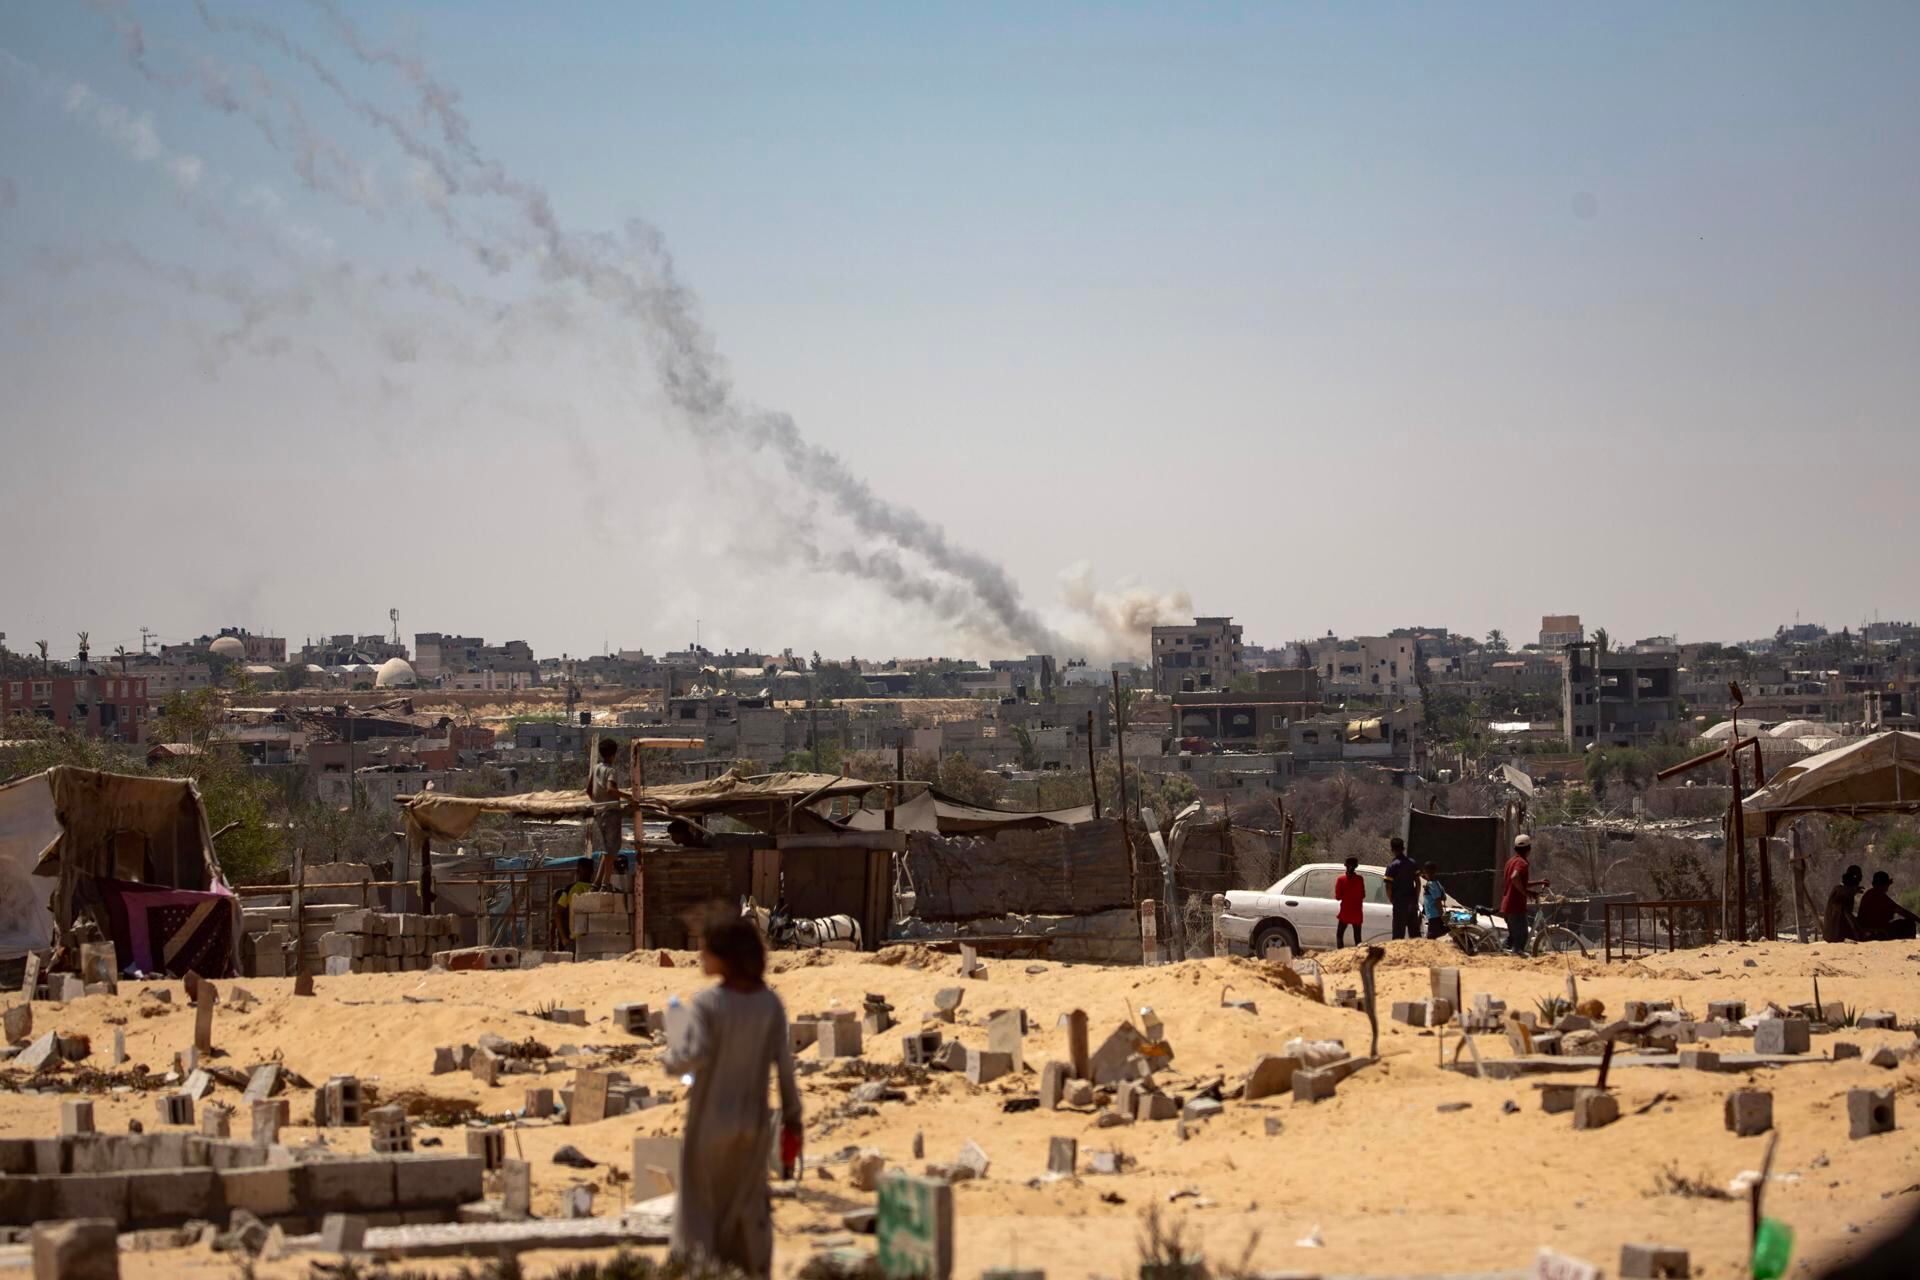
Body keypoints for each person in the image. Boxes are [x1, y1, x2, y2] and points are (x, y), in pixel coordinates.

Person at [663, 915, 803, 1277]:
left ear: (724, 955)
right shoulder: (771, 1004)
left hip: (709, 1125)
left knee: (699, 1214)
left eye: (705, 949)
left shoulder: (707, 1004)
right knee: (746, 1210)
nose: (700, 956)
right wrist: (793, 1120)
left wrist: (671, 1053)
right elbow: (785, 1070)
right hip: (754, 1128)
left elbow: (691, 1055)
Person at [588, 738, 630, 888]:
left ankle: (597, 882)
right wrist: (629, 797)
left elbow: (588, 790)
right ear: (613, 754)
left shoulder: (595, 768)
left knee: (606, 849)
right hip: (611, 811)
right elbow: (611, 789)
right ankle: (606, 883)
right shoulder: (611, 770)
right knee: (612, 849)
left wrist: (598, 803)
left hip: (599, 811)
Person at [1499, 834, 1549, 955]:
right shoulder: (1522, 863)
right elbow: (1515, 878)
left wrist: (1539, 882)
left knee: (1512, 940)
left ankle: (1502, 956)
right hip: (1516, 907)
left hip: (1507, 906)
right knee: (1520, 942)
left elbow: (1519, 883)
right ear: (1529, 849)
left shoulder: (1510, 862)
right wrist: (1526, 893)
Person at [1856, 870, 1920, 940]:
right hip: (1876, 931)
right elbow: (1902, 911)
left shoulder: (1869, 894)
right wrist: (1918, 920)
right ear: (1885, 885)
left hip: (1868, 929)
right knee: (1909, 924)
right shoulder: (1880, 896)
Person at [1384, 837, 1419, 941]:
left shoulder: (1392, 866)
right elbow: (1418, 883)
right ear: (1403, 848)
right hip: (1412, 901)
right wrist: (1415, 899)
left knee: (1398, 935)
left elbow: (1388, 886)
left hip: (1399, 902)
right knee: (1415, 933)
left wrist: (1391, 899)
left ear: (1392, 849)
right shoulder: (1412, 863)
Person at [1823, 865, 1864, 942]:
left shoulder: (1838, 890)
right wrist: (1859, 933)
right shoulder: (1844, 894)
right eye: (1859, 878)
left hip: (1829, 935)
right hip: (1835, 936)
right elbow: (1848, 916)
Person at [1333, 855, 1367, 948]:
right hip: (1357, 911)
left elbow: (1338, 897)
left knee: (1339, 935)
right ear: (1356, 866)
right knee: (1357, 937)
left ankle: (1341, 953)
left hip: (1345, 911)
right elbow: (1363, 895)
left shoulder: (1341, 880)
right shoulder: (1360, 879)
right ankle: (1359, 953)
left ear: (1345, 865)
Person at [1420, 862, 1448, 939]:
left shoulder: (1431, 884)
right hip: (1434, 915)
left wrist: (1442, 915)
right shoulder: (1437, 883)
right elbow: (1443, 897)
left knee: (1430, 939)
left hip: (1434, 916)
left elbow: (1437, 900)